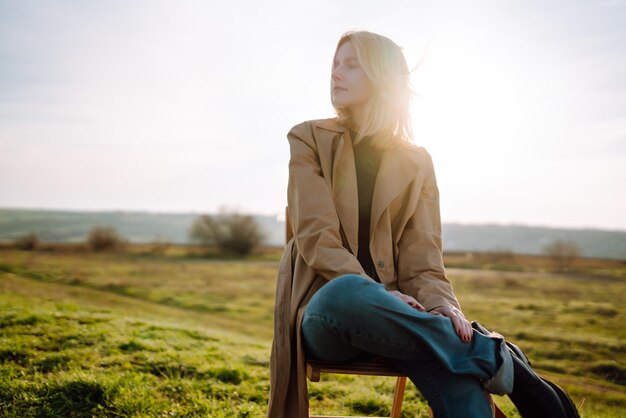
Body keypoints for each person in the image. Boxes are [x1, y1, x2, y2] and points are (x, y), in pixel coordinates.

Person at [268, 30, 571, 418]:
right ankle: (501, 361)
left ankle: (484, 357)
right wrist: (381, 295)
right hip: (330, 315)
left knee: (464, 388)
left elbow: (423, 257)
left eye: (352, 64)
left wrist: (443, 305)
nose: (336, 74)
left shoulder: (418, 161)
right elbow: (316, 238)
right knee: (346, 292)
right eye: (335, 64)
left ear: (382, 76)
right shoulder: (308, 137)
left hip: (408, 323)